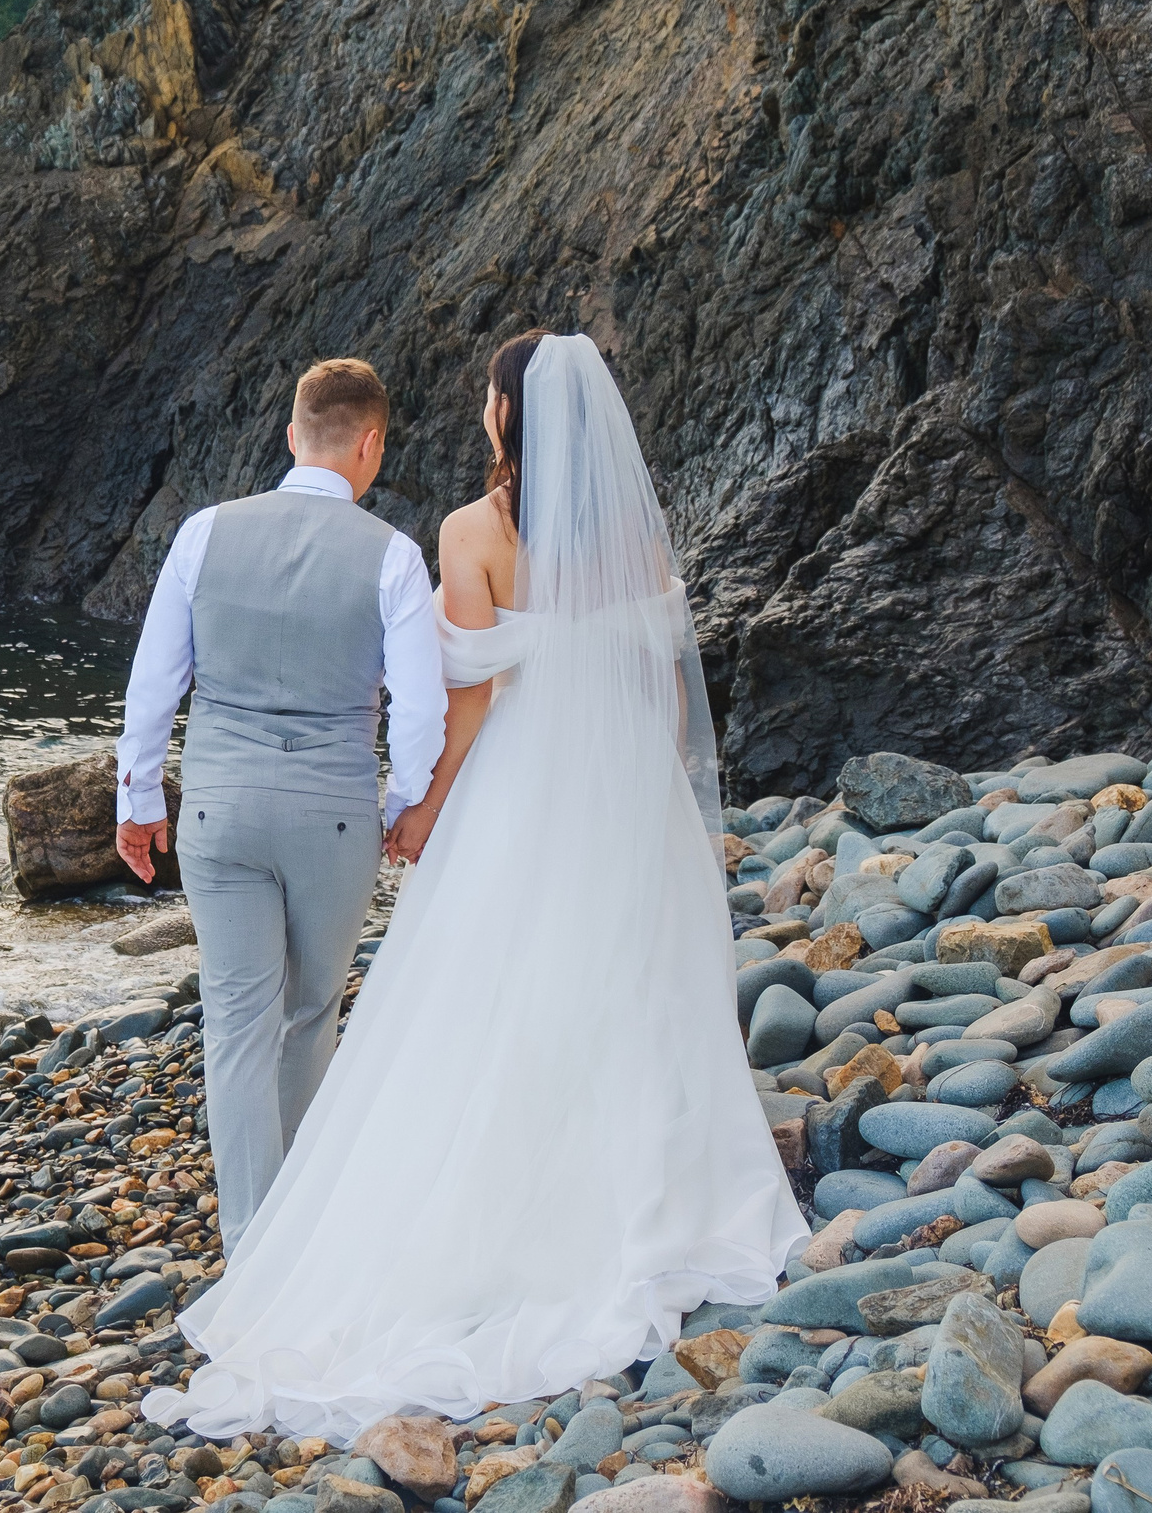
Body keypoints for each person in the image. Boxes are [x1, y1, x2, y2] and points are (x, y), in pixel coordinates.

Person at [142, 331, 809, 1440]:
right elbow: (662, 686)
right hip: (627, 779)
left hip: (523, 779)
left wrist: (423, 805)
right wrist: (666, 800)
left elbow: (460, 700)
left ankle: (481, 1200)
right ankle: (643, 1180)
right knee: (623, 980)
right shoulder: (635, 540)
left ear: (508, 416)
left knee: (501, 987)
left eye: (488, 402)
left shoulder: (472, 532)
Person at [112, 357, 447, 1254]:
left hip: (219, 808)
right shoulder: (394, 557)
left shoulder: (204, 534)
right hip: (334, 814)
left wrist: (137, 796)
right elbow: (420, 710)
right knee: (311, 1010)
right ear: (371, 444)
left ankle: (249, 1241)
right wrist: (411, 801)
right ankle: (299, 1234)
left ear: (292, 434)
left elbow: (154, 683)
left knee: (235, 1020)